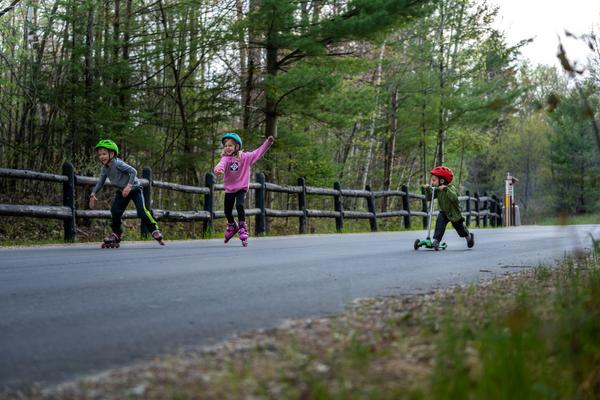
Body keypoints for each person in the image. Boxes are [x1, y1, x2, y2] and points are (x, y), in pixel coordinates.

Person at [89, 139, 164, 247]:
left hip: (135, 189)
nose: (101, 157)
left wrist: (129, 186)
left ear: (112, 154)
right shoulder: (105, 169)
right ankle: (116, 234)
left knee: (141, 211)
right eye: (100, 154)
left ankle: (154, 230)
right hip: (122, 191)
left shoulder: (118, 163)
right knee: (115, 211)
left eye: (104, 154)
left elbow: (133, 171)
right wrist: (93, 193)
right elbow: (100, 182)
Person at [214, 132, 274, 246]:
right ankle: (232, 226)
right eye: (225, 146)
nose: (227, 148)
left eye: (230, 145)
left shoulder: (246, 157)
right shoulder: (225, 159)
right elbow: (220, 164)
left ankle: (242, 226)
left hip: (241, 187)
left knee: (240, 205)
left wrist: (268, 143)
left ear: (237, 146)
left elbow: (258, 152)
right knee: (227, 211)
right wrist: (218, 170)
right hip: (229, 189)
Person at [424, 166, 474, 250]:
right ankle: (436, 240)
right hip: (443, 212)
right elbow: (429, 198)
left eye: (434, 180)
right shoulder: (438, 190)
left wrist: (446, 189)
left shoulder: (451, 188)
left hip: (454, 213)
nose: (432, 182)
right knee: (440, 224)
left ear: (442, 181)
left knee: (459, 228)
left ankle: (468, 237)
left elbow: (454, 198)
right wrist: (428, 190)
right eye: (432, 180)